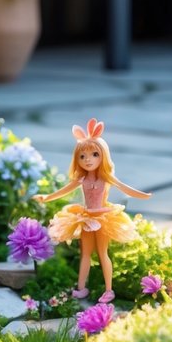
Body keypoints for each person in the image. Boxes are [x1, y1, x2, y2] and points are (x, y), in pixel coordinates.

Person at [36, 117, 151, 301]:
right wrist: (47, 197)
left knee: (103, 253)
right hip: (85, 216)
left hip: (103, 218)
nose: (88, 160)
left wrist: (142, 195)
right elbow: (64, 190)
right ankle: (81, 287)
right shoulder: (82, 179)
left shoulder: (106, 178)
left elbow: (124, 187)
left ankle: (109, 290)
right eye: (82, 156)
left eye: (94, 155)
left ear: (103, 155)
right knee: (86, 254)